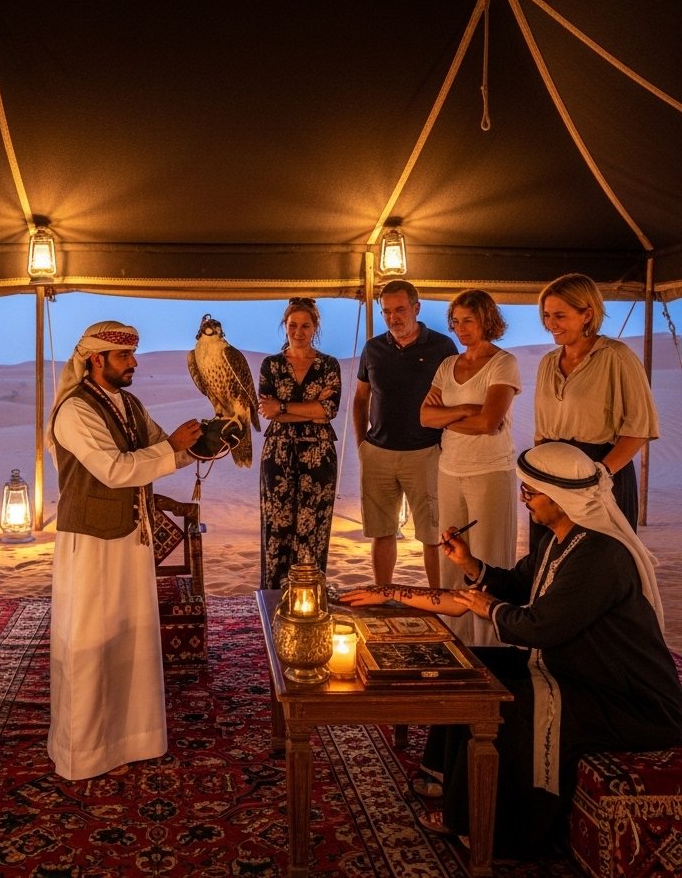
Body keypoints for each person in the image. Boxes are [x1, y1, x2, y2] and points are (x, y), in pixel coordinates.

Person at [341, 442, 682, 859]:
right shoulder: (560, 539)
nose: (524, 500)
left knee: (506, 706)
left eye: (530, 493)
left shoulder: (600, 556)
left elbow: (541, 628)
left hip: (623, 694)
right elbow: (519, 584)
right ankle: (446, 780)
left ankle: (492, 828)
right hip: (572, 668)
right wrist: (471, 566)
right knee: (472, 667)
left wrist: (490, 608)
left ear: (562, 498)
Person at [46, 321, 203, 781]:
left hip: (132, 541)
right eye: (124, 357)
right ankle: (85, 751)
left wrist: (204, 442)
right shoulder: (74, 411)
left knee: (132, 635)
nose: (134, 363)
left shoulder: (129, 404)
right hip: (91, 545)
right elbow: (114, 470)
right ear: (97, 359)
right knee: (89, 641)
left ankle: (135, 738)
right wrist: (172, 449)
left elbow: (160, 448)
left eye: (134, 354)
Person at [420, 289, 520, 645]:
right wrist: (464, 411)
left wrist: (446, 417)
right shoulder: (448, 365)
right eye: (456, 322)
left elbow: (489, 422)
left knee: (489, 558)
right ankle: (456, 642)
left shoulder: (502, 363)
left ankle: (490, 646)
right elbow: (424, 416)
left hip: (490, 470)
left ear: (487, 320)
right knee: (451, 556)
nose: (461, 329)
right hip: (450, 468)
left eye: (469, 321)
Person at [533, 272, 658, 545]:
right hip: (553, 477)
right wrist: (535, 480)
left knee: (598, 563)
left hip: (601, 474)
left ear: (587, 314)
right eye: (546, 315)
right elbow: (542, 433)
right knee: (548, 560)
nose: (550, 324)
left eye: (560, 316)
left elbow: (639, 429)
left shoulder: (617, 357)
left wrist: (599, 475)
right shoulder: (547, 363)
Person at [353, 279, 458, 586]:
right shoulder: (373, 348)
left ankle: (437, 601)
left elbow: (455, 398)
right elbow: (361, 398)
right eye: (386, 312)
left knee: (433, 534)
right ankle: (383, 594)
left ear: (416, 308)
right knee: (381, 531)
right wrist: (362, 444)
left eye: (399, 310)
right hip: (378, 454)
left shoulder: (442, 346)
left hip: (426, 453)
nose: (392, 318)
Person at [256, 297, 341, 589]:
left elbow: (328, 411)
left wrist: (284, 407)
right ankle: (273, 598)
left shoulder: (328, 364)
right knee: (276, 525)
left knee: (312, 525)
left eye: (305, 325)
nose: (299, 331)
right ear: (285, 326)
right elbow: (267, 411)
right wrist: (307, 408)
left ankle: (308, 597)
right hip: (278, 453)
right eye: (293, 325)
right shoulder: (272, 365)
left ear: (315, 327)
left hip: (319, 454)